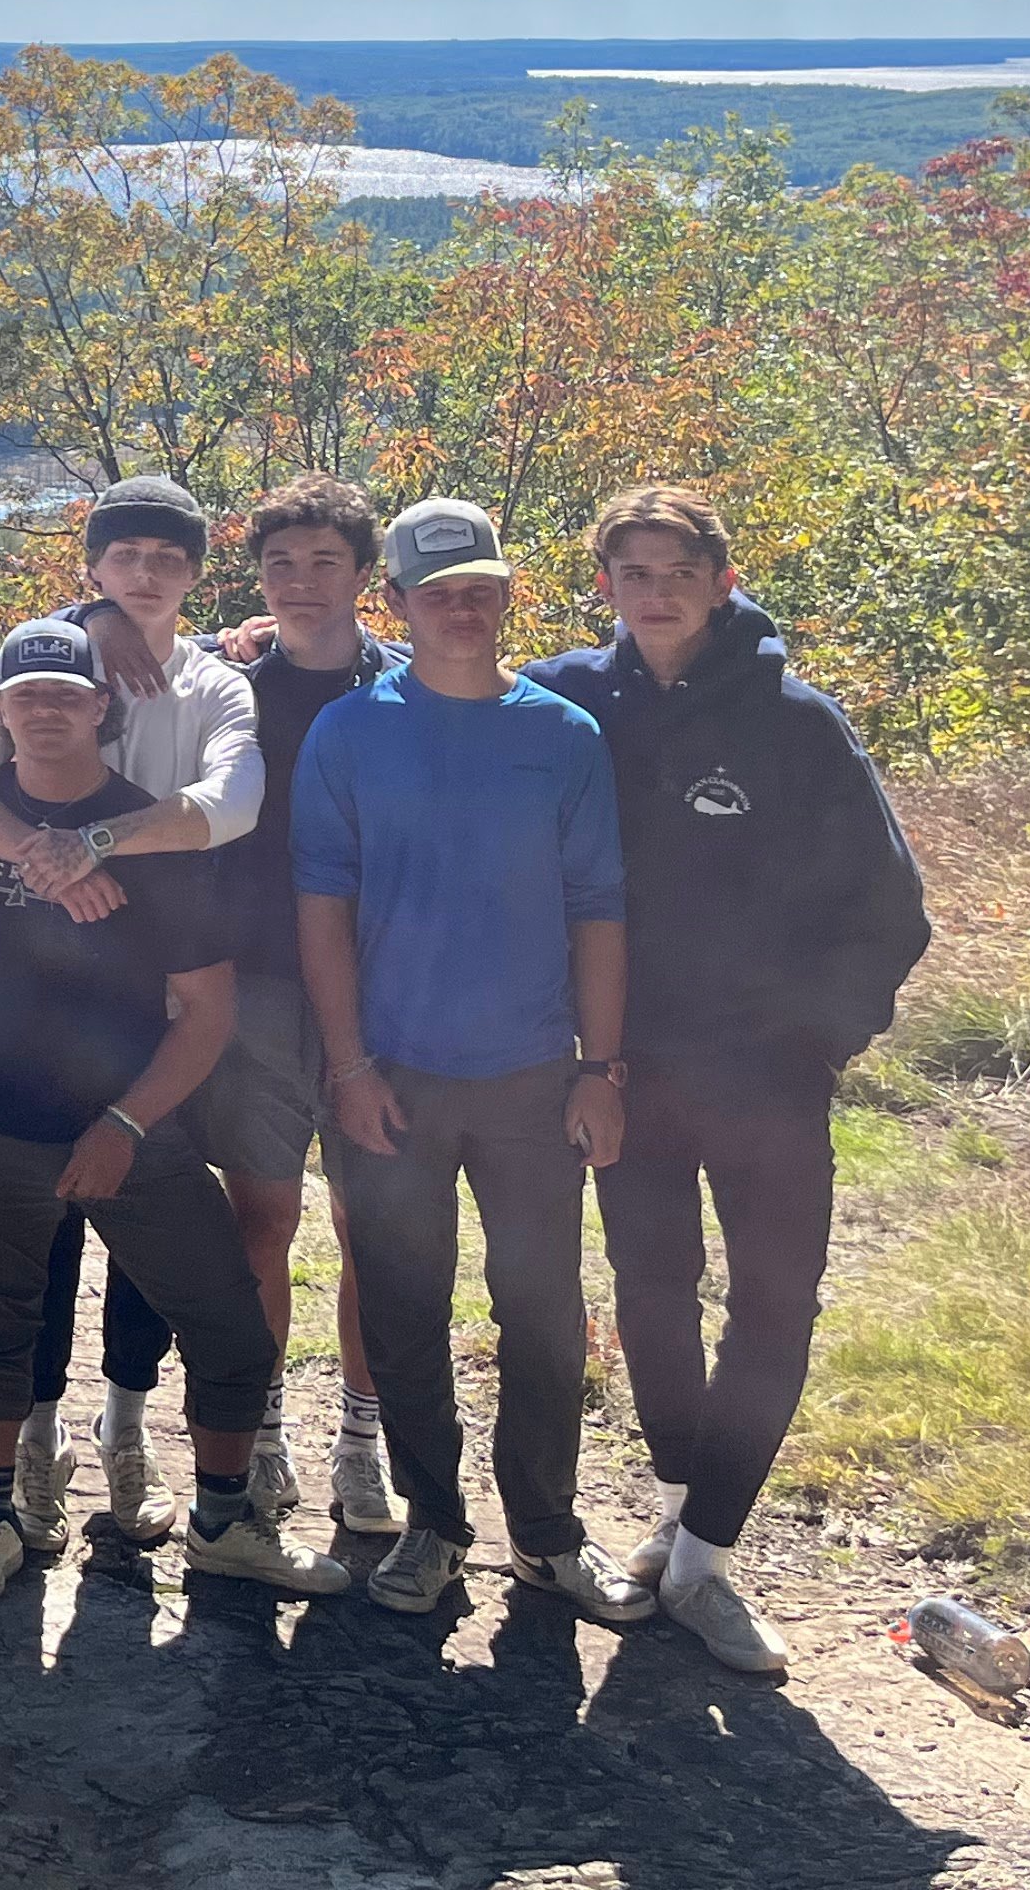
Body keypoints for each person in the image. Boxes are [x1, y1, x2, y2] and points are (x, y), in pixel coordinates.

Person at [531, 484, 930, 1673]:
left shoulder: (795, 723)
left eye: (676, 572)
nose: (653, 595)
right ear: (605, 585)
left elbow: (891, 907)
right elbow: (431, 685)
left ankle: (710, 1555)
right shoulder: (566, 701)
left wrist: (819, 1035)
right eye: (631, 574)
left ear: (721, 579)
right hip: (623, 1066)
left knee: (774, 1303)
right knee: (650, 1289)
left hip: (768, 1079)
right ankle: (672, 1515)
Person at [0, 619, 344, 1609]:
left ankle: (227, 1524)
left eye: (66, 694)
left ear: (102, 705)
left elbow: (208, 1013)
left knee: (230, 1330)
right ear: (1, 707)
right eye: (27, 696)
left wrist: (126, 1126)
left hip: (133, 1128)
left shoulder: (154, 833)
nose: (47, 710)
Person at [297, 496, 646, 1624]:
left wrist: (604, 1068)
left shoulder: (563, 736)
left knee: (542, 1307)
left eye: (480, 587)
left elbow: (599, 908)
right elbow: (323, 912)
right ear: (393, 602)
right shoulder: (350, 732)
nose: (461, 605)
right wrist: (346, 1068)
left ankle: (545, 1535)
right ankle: (435, 1527)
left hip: (533, 1075)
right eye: (436, 589)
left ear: (506, 598)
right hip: (390, 1074)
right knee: (402, 1306)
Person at [0, 475, 264, 1546]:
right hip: (9, 1086)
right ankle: (21, 1483)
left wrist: (96, 846)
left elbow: (231, 806)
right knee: (15, 1305)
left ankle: (141, 1449)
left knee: (179, 1289)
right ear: (95, 567)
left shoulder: (216, 684)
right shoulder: (42, 663)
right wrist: (36, 850)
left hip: (146, 1033)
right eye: (128, 555)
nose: (149, 572)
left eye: (172, 555)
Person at [198, 476, 401, 1535]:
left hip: (387, 994)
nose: (303, 583)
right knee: (262, 1217)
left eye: (326, 562)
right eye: (282, 564)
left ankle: (362, 1443)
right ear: (258, 579)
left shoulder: (410, 688)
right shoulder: (228, 689)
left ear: (366, 576)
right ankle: (263, 1427)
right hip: (262, 988)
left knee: (372, 1224)